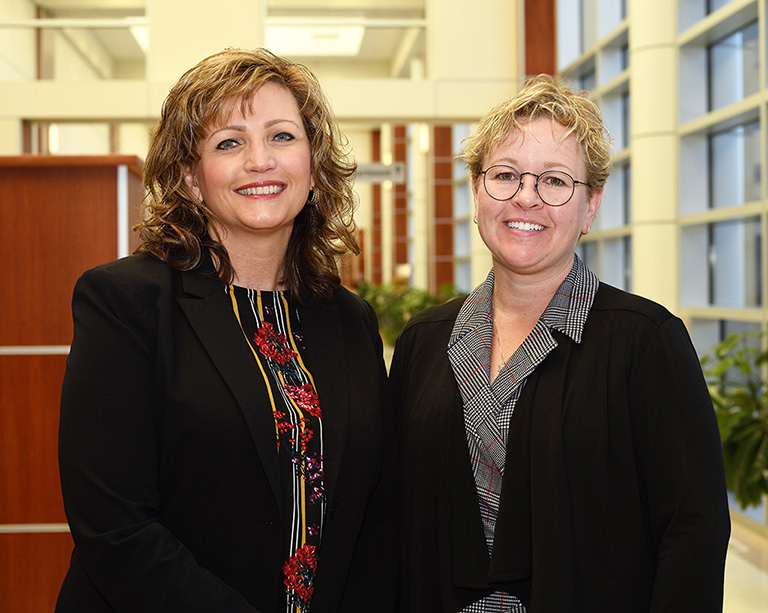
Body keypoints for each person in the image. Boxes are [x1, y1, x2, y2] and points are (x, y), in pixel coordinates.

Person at [56, 48, 397, 613]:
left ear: (314, 166)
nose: (260, 160)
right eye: (229, 142)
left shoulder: (349, 318)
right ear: (191, 178)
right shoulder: (126, 303)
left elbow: (375, 515)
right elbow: (114, 528)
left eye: (282, 137)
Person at [390, 75, 730, 612]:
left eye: (554, 181)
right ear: (477, 191)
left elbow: (693, 532)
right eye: (505, 176)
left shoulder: (646, 344)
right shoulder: (423, 343)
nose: (526, 197)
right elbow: (393, 521)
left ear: (591, 204)